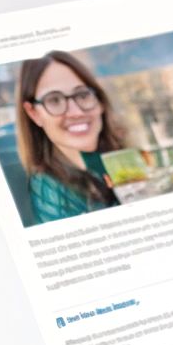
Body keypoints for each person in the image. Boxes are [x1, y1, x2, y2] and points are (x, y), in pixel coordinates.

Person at [16, 50, 125, 224]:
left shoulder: (124, 154)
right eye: (54, 100)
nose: (76, 112)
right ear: (33, 113)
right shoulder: (50, 192)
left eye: (82, 95)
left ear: (100, 101)